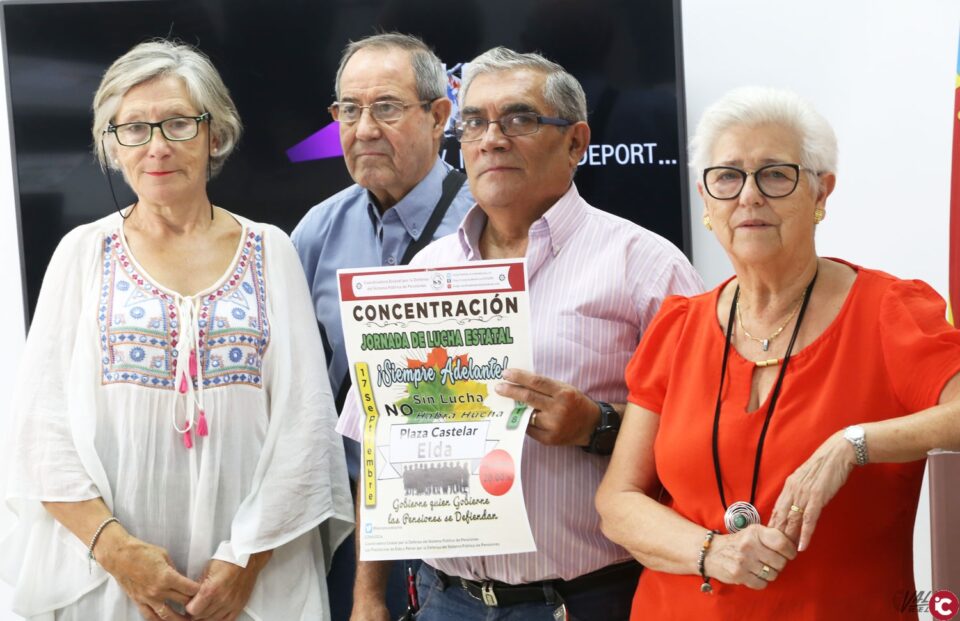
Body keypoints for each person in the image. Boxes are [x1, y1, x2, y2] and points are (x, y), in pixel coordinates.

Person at [337, 46, 703, 621]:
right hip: (442, 599)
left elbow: (708, 438)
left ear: (577, 141)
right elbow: (382, 449)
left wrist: (599, 426)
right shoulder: (421, 274)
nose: (492, 138)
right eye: (475, 121)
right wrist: (365, 600)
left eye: (520, 119)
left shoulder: (648, 268)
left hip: (590, 600)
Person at [0, 40, 353, 621]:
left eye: (178, 123)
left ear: (217, 135)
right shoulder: (82, 254)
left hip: (248, 589)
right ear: (111, 146)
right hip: (109, 583)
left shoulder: (271, 250)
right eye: (133, 129)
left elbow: (305, 427)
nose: (157, 146)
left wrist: (245, 564)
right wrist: (119, 555)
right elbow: (42, 429)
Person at [595, 86, 960, 620]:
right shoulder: (677, 327)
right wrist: (713, 553)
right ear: (705, 201)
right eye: (727, 176)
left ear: (821, 193)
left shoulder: (889, 310)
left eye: (775, 174)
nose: (748, 196)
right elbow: (618, 503)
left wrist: (853, 443)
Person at [291, 32, 472, 619]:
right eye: (349, 109)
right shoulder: (317, 232)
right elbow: (294, 384)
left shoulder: (488, 222)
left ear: (440, 115)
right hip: (348, 521)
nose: (363, 128)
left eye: (387, 108)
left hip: (465, 512)